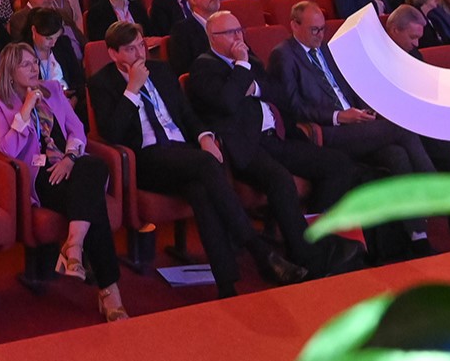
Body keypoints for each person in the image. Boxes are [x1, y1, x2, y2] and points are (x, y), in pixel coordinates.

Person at [86, 24, 303, 298]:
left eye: (141, 45)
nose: (139, 53)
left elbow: (187, 115)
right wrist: (131, 90)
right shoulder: (101, 83)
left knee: (201, 191)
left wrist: (204, 136)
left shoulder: (162, 71)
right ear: (113, 53)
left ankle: (227, 285)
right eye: (130, 49)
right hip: (145, 160)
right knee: (206, 165)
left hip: (183, 153)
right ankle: (260, 252)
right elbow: (112, 133)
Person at [186, 11, 360, 275]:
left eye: (239, 30)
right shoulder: (204, 67)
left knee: (337, 164)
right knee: (280, 179)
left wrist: (254, 88)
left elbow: (281, 95)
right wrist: (242, 67)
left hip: (276, 137)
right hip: (244, 146)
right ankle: (308, 257)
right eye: (230, 33)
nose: (238, 37)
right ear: (212, 37)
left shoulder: (250, 59)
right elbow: (227, 102)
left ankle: (315, 235)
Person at [0, 42, 126, 323]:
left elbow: (77, 131)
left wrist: (70, 159)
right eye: (26, 64)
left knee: (94, 164)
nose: (34, 68)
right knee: (93, 200)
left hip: (70, 165)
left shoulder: (53, 90)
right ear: (10, 72)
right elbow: (7, 150)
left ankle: (73, 245)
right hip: (42, 177)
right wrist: (25, 110)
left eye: (35, 62)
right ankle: (109, 291)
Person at [270, 0, 435, 182]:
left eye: (323, 29)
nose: (320, 35)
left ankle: (415, 208)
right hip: (326, 130)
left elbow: (349, 86)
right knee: (401, 127)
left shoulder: (326, 48)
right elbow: (293, 107)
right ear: (294, 25)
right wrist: (338, 116)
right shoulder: (284, 55)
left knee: (396, 155)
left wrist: (366, 110)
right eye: (314, 30)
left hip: (355, 123)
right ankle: (442, 195)